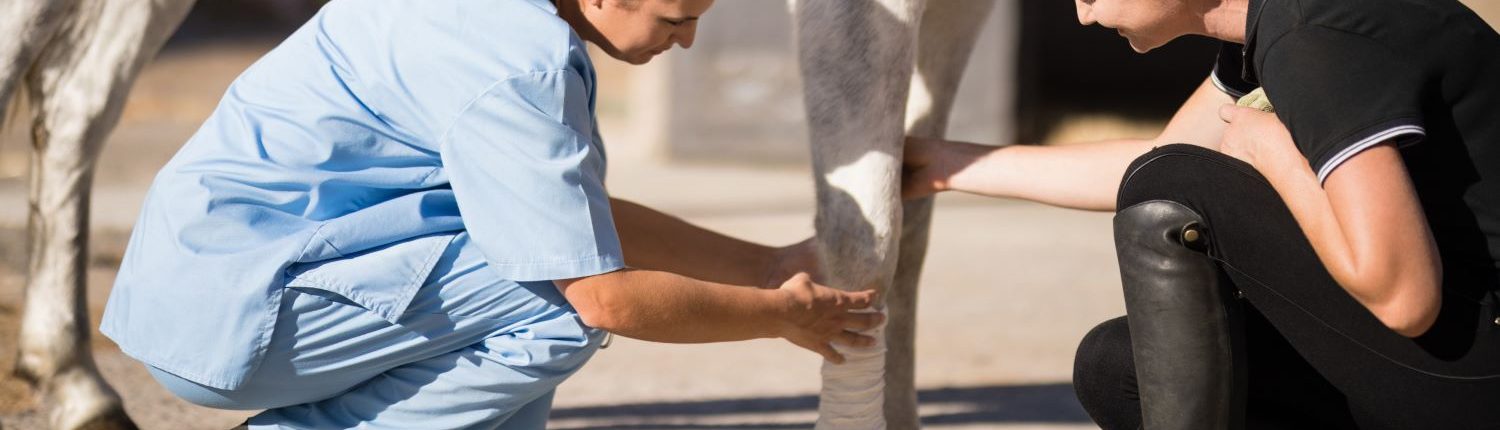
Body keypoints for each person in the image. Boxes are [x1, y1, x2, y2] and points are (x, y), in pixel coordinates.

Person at [100, 0, 882, 428]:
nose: (686, 42)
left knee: (533, 262)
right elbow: (604, 296)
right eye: (676, 19)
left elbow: (567, 213)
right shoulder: (519, 64)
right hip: (240, 318)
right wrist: (779, 315)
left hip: (198, 290)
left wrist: (770, 265)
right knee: (553, 306)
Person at [902, 0, 1500, 427]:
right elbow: (1159, 161)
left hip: (1476, 374)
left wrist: (1269, 148)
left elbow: (1404, 295)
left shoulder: (1314, 35)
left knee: (1173, 182)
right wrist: (943, 166)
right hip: (1455, 358)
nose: (1081, 13)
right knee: (1122, 368)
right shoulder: (1272, 29)